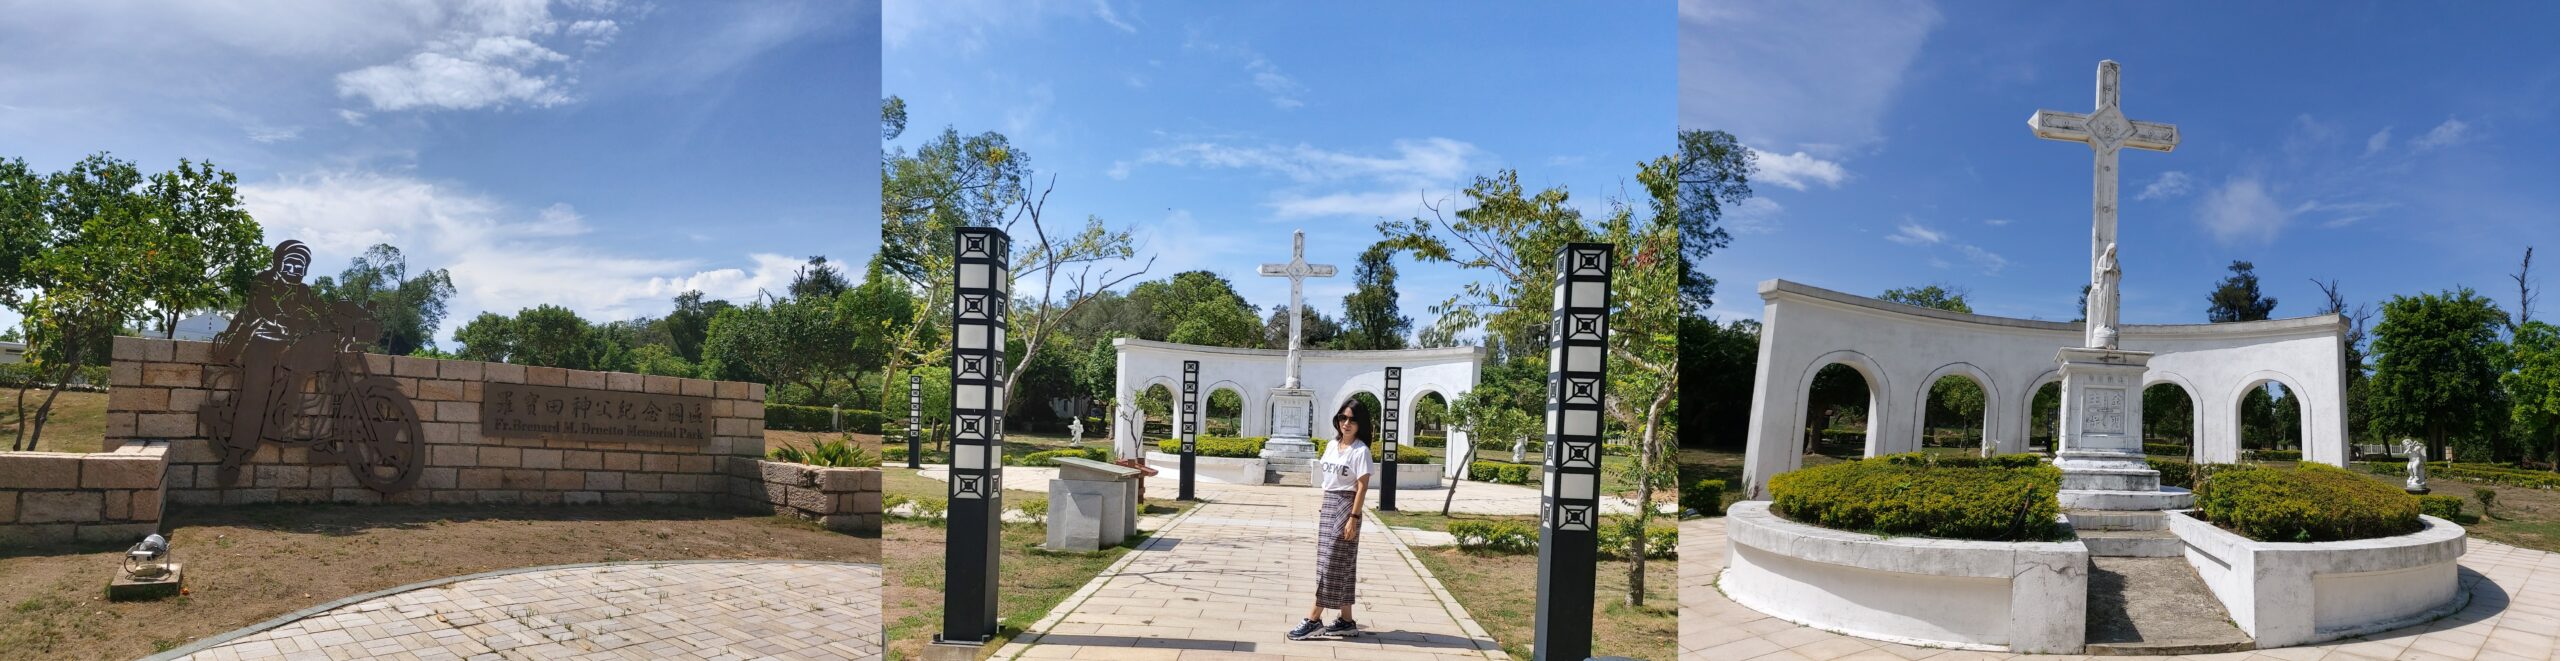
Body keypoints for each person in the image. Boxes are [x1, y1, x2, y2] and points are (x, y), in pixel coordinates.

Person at [211, 241, 338, 484]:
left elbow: (321, 312)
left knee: (306, 377)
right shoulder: (264, 280)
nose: (293, 269)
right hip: (260, 344)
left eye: (299, 266)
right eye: (289, 263)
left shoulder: (304, 291)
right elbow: (263, 305)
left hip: (289, 348)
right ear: (279, 263)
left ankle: (291, 429)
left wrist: (336, 324)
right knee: (254, 395)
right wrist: (282, 319)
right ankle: (235, 454)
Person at [1289, 399, 1374, 641]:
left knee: (1331, 565)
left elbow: (1362, 487)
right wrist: (1326, 507)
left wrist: (1353, 517)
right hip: (1329, 505)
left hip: (1347, 506)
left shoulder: (1361, 451)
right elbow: (1329, 482)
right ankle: (1346, 621)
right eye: (1342, 418)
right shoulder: (1331, 445)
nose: (1346, 423)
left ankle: (1313, 619)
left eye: (1352, 420)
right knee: (1338, 565)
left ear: (1360, 424)